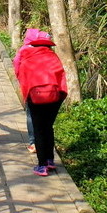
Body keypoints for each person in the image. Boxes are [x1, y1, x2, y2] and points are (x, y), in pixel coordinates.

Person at [13, 28, 67, 176]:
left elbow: (22, 75)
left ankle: (41, 165)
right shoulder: (52, 56)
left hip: (35, 96)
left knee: (39, 129)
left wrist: (27, 94)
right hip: (54, 97)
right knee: (48, 127)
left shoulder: (26, 55)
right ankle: (50, 160)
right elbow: (61, 76)